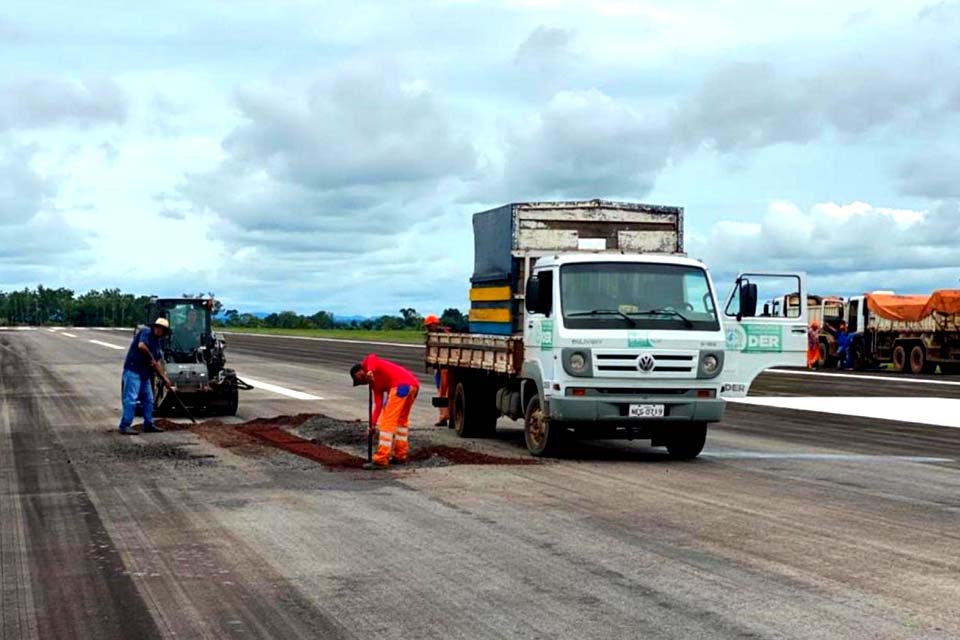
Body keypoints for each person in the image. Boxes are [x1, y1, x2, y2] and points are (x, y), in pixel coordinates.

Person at [351, 353, 420, 469]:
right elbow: (378, 406)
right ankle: (400, 454)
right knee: (401, 421)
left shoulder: (367, 364)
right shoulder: (374, 385)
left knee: (387, 422)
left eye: (358, 379)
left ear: (358, 372)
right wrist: (372, 425)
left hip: (401, 386)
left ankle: (381, 459)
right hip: (412, 386)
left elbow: (372, 357)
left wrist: (370, 371)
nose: (361, 382)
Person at [119, 318, 176, 435]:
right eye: (158, 327)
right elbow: (141, 346)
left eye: (162, 329)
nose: (159, 330)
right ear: (154, 327)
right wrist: (151, 358)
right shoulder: (146, 332)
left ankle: (148, 424)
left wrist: (165, 379)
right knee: (131, 398)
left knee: (148, 399)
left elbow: (157, 362)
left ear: (164, 332)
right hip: (133, 370)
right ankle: (125, 425)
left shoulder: (157, 344)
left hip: (144, 374)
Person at [425, 314, 452, 427]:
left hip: (444, 368)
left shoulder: (443, 335)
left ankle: (444, 417)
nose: (428, 328)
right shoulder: (435, 336)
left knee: (443, 392)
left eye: (429, 326)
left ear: (435, 324)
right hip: (440, 368)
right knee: (441, 391)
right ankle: (443, 417)